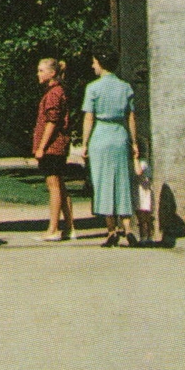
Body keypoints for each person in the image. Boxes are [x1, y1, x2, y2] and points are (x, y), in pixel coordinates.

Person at [81, 47, 140, 247]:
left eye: (94, 62)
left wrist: (84, 143)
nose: (92, 65)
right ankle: (128, 228)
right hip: (119, 136)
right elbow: (131, 117)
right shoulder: (125, 88)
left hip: (100, 136)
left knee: (103, 183)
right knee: (122, 181)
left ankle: (111, 230)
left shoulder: (93, 88)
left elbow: (89, 117)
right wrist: (134, 142)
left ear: (100, 63)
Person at [32, 57, 74, 241]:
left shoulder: (53, 94)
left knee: (54, 186)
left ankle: (53, 229)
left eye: (41, 70)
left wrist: (42, 146)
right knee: (61, 186)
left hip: (52, 147)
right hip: (57, 146)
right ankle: (70, 227)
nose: (38, 74)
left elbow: (52, 121)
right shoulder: (55, 92)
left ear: (52, 73)